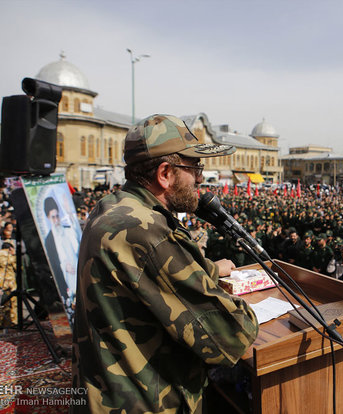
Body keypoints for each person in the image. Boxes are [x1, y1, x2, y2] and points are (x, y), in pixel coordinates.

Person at [72, 114, 259, 414]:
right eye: (194, 167)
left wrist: (209, 270)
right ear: (164, 173)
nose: (200, 178)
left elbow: (147, 275)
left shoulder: (113, 207)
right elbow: (231, 334)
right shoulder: (147, 231)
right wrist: (245, 310)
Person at [43, 196, 79, 310]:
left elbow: (77, 239)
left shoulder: (67, 229)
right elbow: (54, 264)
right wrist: (64, 266)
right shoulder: (49, 240)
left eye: (57, 216)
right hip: (66, 278)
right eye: (53, 217)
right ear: (48, 217)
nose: (56, 220)